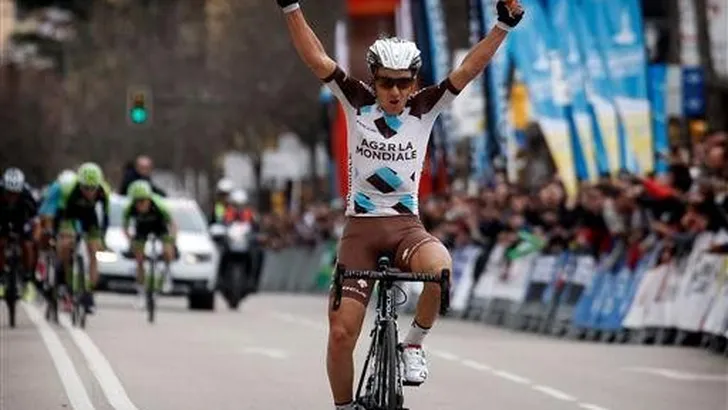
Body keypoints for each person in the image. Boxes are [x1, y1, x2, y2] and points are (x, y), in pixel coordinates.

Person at [276, 0, 524, 408]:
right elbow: (316, 57)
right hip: (361, 232)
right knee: (340, 334)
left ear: (413, 82)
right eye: (386, 83)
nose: (395, 92)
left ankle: (413, 344)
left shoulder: (425, 107)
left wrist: (503, 25)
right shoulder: (355, 100)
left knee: (440, 269)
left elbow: (468, 69)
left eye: (403, 83)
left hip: (406, 228)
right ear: (373, 79)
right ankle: (344, 406)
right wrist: (290, 7)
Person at [55, 162, 111, 314]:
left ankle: (89, 294)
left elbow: (105, 217)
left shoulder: (104, 191)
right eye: (86, 187)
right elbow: (60, 214)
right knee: (66, 244)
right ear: (80, 183)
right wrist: (58, 233)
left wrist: (102, 237)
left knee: (94, 252)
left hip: (90, 218)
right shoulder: (69, 189)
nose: (89, 192)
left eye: (93, 188)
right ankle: (64, 279)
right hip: (70, 215)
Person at [123, 180, 177, 306]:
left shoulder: (159, 205)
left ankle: (167, 274)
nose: (140, 204)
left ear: (149, 199)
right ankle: (141, 291)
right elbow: (125, 227)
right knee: (139, 258)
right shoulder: (129, 208)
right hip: (142, 228)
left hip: (159, 226)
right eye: (137, 201)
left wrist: (172, 241)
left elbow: (173, 225)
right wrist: (130, 241)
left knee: (168, 250)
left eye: (143, 201)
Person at [0, 168, 40, 300]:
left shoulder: (27, 195)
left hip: (22, 219)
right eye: (9, 193)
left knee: (28, 245)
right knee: (1, 243)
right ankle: (1, 277)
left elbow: (36, 220)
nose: (12, 197)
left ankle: (28, 279)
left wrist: (35, 237)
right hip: (3, 218)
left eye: (15, 193)